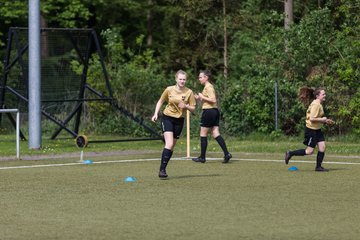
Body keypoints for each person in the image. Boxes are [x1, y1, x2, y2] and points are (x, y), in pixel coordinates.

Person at [152, 70, 196, 179]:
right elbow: (160, 101)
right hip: (167, 117)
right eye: (180, 79)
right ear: (176, 79)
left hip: (179, 120)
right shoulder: (169, 89)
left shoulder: (189, 92)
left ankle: (166, 140)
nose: (182, 81)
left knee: (171, 146)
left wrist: (186, 107)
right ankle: (162, 170)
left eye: (184, 79)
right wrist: (155, 114)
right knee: (170, 144)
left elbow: (193, 109)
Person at [285, 87, 334, 172]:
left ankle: (318, 167)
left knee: (322, 147)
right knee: (309, 151)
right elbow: (312, 119)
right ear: (318, 96)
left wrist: (325, 121)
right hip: (311, 130)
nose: (325, 95)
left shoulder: (318, 104)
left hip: (317, 129)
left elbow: (316, 118)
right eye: (323, 94)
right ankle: (290, 153)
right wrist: (323, 120)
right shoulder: (316, 105)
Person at [192, 70, 232, 164]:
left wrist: (202, 96)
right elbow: (208, 99)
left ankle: (202, 157)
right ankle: (227, 154)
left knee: (203, 134)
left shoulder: (208, 87)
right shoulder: (207, 87)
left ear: (206, 77)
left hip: (209, 111)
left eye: (201, 77)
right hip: (214, 111)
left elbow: (213, 100)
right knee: (215, 133)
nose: (199, 79)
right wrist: (199, 97)